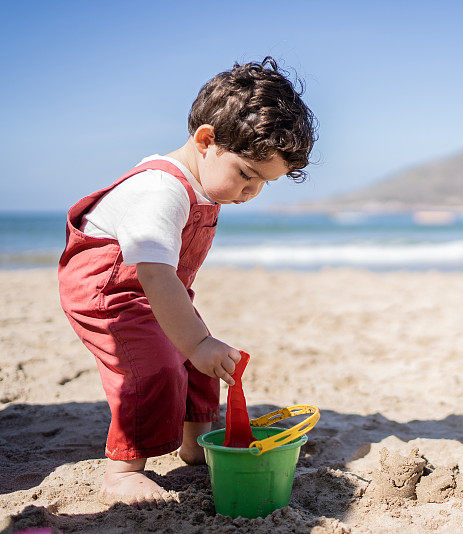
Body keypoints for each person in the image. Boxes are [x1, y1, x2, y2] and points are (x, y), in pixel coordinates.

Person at [58, 57, 316, 507]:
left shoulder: (207, 185)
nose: (250, 194)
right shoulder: (161, 190)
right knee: (153, 365)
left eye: (263, 185)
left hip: (155, 288)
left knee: (205, 364)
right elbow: (154, 272)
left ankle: (196, 442)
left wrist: (198, 348)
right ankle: (123, 470)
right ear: (206, 140)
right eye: (247, 175)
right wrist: (194, 343)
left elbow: (166, 282)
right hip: (109, 291)